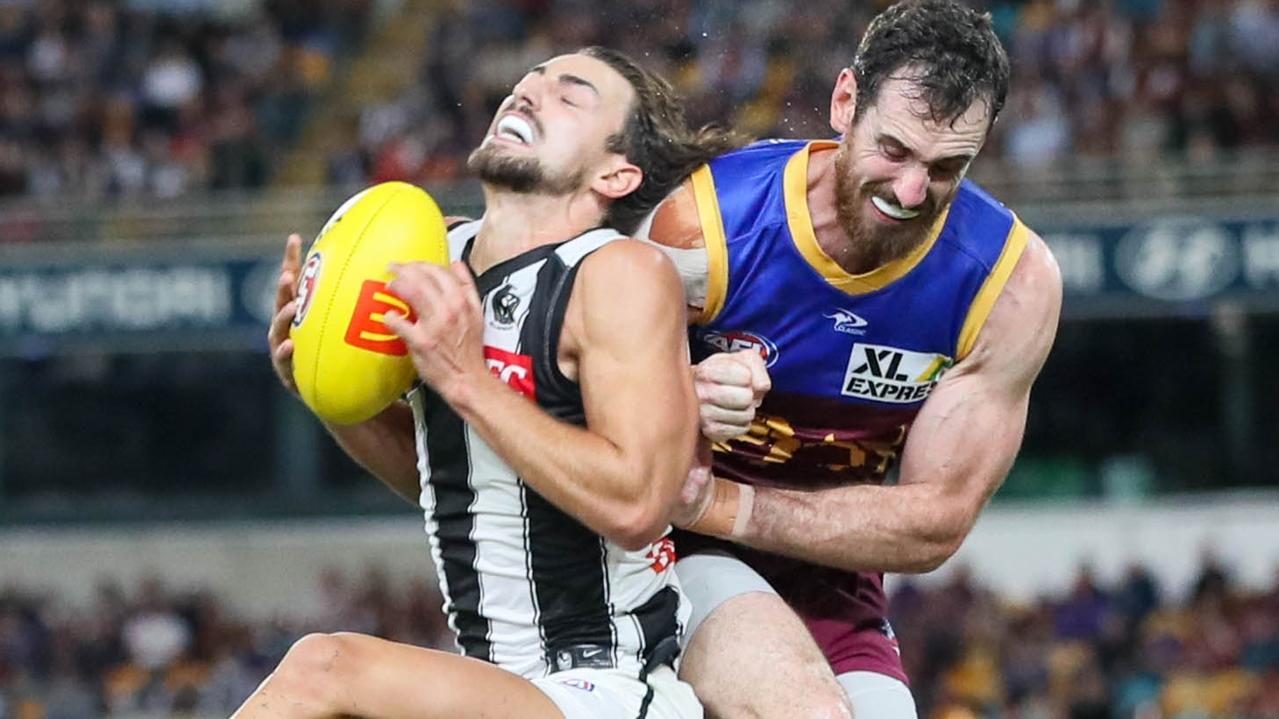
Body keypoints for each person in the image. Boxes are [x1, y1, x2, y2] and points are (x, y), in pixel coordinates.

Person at [243, 47, 739, 719]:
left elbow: (637, 507)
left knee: (324, 667)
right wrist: (322, 385)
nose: (529, 95)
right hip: (492, 678)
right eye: (528, 83)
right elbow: (454, 484)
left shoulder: (616, 272)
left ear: (616, 173)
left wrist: (467, 378)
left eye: (571, 96)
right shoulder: (429, 253)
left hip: (603, 686)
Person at [639, 2, 1064, 717]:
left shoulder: (1009, 282)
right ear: (844, 102)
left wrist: (722, 503)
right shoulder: (704, 225)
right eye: (892, 151)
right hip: (668, 546)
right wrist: (676, 390)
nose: (908, 192)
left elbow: (934, 521)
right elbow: (581, 395)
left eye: (944, 168)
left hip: (828, 572)